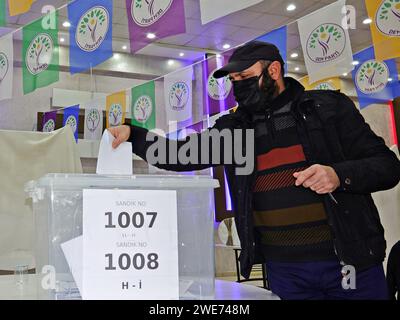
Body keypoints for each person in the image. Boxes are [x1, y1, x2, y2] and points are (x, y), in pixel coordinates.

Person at [109, 41, 400, 300]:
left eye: (246, 78)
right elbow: (178, 155)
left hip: (350, 263)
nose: (238, 87)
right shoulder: (235, 130)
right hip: (285, 271)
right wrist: (134, 134)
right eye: (234, 80)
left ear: (274, 71)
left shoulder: (327, 110)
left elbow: (387, 166)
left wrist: (338, 175)